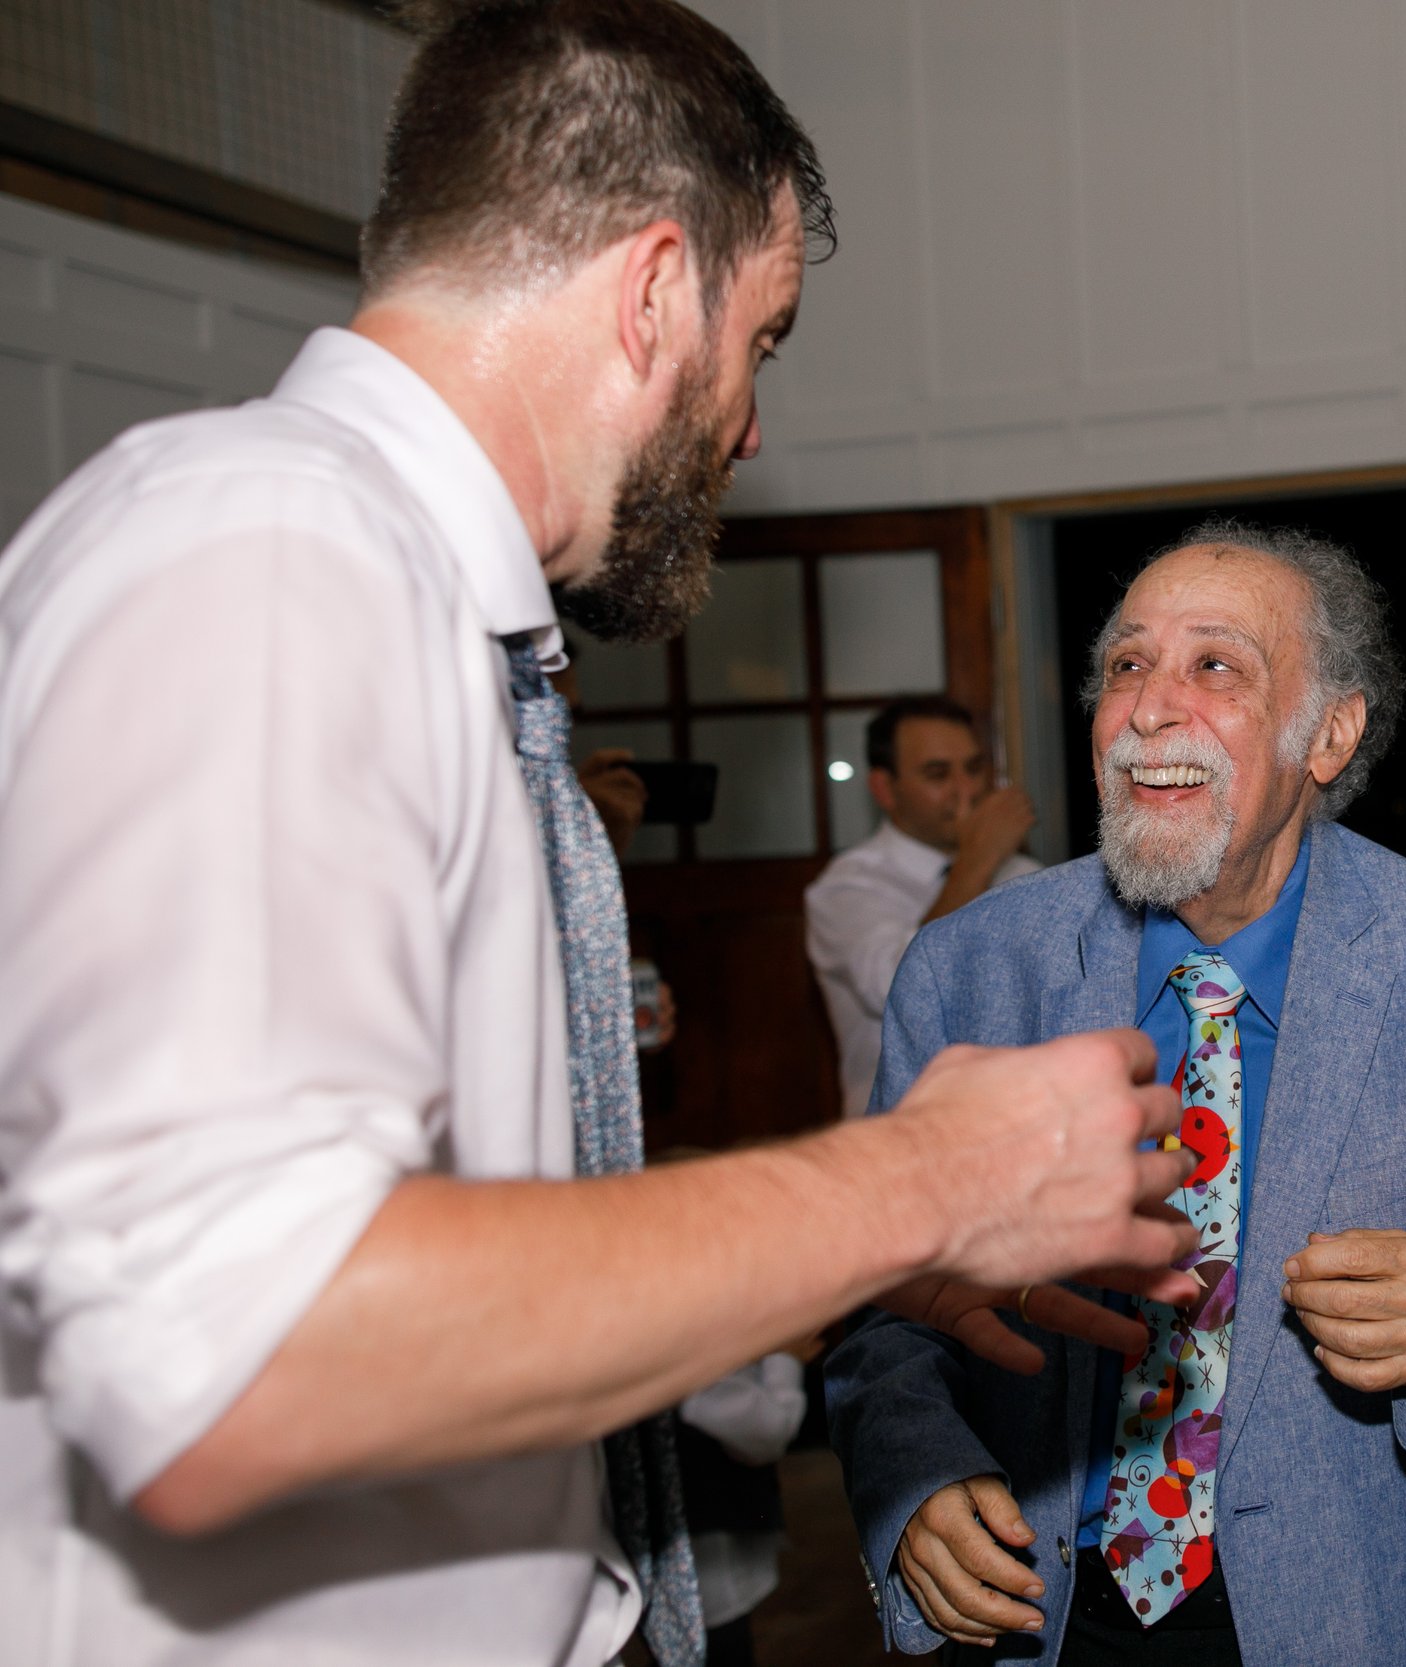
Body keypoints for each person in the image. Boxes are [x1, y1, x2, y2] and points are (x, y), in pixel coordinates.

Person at [0, 5, 1199, 1663]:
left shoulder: (433, 630)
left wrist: (835, 1266)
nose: (750, 426)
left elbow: (454, 1227)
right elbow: (237, 1343)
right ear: (653, 294)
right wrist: (923, 1178)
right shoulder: (272, 551)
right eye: (761, 340)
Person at [824, 523, 1406, 1666]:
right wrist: (917, 1473)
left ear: (1328, 731)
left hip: (1367, 1623)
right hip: (1047, 1616)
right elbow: (883, 1308)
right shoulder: (974, 971)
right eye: (1127, 666)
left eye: (1213, 666)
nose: (1150, 709)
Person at [806, 695, 1040, 1117]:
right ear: (884, 789)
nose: (966, 791)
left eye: (973, 768)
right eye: (938, 774)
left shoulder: (1022, 871)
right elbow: (895, 987)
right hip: (896, 1133)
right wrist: (976, 861)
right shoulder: (846, 887)